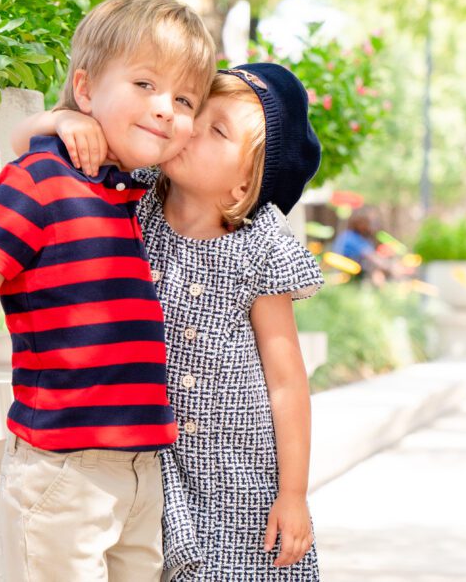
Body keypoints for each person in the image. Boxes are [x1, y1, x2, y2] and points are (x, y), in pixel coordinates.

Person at [0, 0, 216, 582]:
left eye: (183, 99)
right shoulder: (41, 179)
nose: (164, 109)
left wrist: (56, 120)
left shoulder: (133, 192)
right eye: (145, 84)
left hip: (140, 470)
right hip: (63, 469)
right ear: (85, 90)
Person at [20, 63, 324, 580]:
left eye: (218, 131)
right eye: (193, 112)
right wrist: (62, 122)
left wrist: (292, 494)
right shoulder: (128, 197)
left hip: (239, 475)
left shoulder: (257, 248)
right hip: (150, 462)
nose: (189, 129)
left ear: (246, 182)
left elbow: (287, 382)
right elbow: (27, 147)